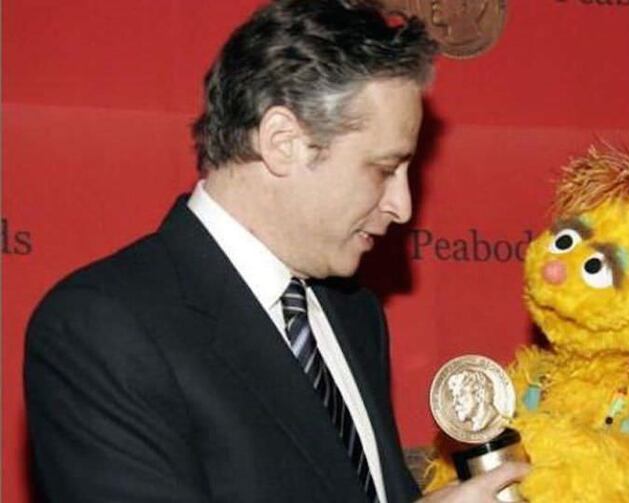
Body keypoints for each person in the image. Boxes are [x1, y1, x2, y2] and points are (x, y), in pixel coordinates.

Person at [24, 1, 527, 502]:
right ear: (283, 142)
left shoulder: (353, 313)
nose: (402, 205)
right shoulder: (102, 329)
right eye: (383, 169)